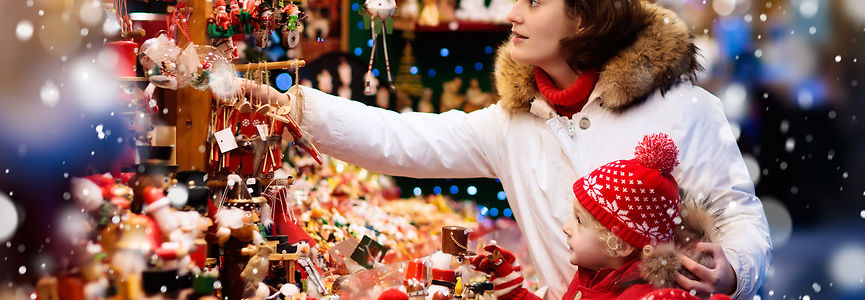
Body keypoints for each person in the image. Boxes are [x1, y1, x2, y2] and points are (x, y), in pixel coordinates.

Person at [240, 0, 771, 297]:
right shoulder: (511, 124)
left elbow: (738, 217)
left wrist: (733, 268)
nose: (512, 13)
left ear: (584, 16)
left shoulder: (685, 109)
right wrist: (292, 104)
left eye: (534, 2)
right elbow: (399, 139)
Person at [466, 133, 733, 300]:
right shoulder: (592, 277)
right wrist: (513, 289)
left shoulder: (641, 295)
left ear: (621, 242)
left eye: (581, 221)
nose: (567, 227)